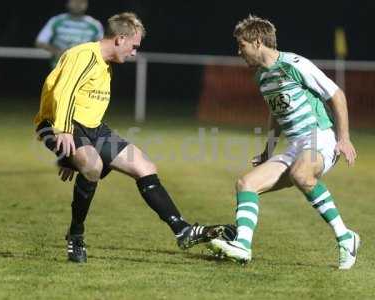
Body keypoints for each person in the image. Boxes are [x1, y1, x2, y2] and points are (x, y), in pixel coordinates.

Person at [34, 12, 222, 263]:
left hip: (92, 128)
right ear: (120, 39)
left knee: (143, 166)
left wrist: (73, 157)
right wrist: (65, 133)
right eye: (134, 46)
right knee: (92, 166)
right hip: (55, 123)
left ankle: (182, 230)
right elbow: (63, 93)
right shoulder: (83, 55)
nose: (134, 53)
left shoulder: (106, 64)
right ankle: (76, 235)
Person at [208, 15, 359, 270]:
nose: (239, 51)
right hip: (296, 147)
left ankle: (346, 237)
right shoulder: (261, 76)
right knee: (246, 183)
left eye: (242, 45)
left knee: (302, 173)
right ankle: (243, 246)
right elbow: (276, 113)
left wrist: (343, 139)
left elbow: (337, 94)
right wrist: (268, 150)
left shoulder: (295, 64)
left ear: (257, 42)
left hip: (320, 138)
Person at [35, 0, 104, 68]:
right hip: (59, 69)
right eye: (74, 1)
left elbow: (103, 46)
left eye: (82, 1)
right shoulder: (56, 21)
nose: (78, 4)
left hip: (85, 70)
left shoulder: (95, 24)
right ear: (67, 3)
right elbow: (40, 42)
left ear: (87, 4)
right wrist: (56, 51)